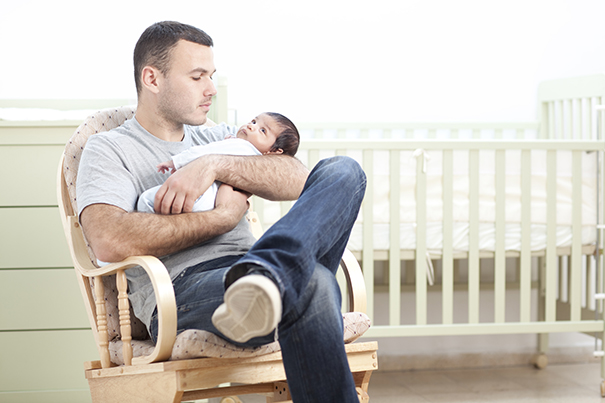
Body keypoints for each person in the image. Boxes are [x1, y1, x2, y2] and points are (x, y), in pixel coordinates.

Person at [76, 21, 366, 402]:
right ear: (152, 79)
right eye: (198, 77)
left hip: (252, 268)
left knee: (345, 171)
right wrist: (220, 219)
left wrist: (212, 165)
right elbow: (108, 240)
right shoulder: (108, 149)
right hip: (184, 290)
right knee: (313, 282)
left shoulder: (218, 137)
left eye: (211, 76)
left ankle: (268, 271)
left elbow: (298, 180)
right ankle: (271, 273)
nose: (211, 89)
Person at [137, 112, 300, 213]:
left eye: (262, 131)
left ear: (274, 151)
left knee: (146, 199)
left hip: (202, 198)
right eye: (254, 121)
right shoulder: (256, 161)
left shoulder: (242, 146)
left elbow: (204, 152)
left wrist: (176, 162)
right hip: (210, 205)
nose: (251, 126)